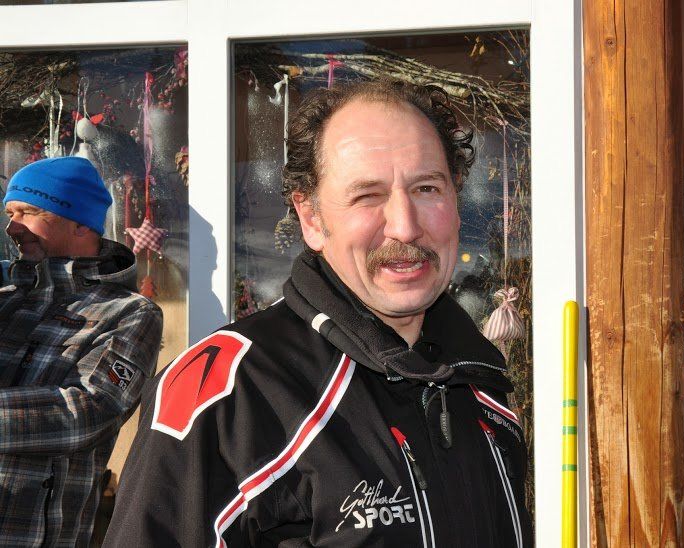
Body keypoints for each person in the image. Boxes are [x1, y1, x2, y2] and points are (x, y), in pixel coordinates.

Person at [104, 81, 532, 547]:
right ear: (310, 218)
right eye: (367, 195)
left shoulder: (479, 381)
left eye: (426, 188)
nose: (405, 226)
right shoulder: (232, 395)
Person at [0, 156, 163, 546]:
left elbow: (87, 412)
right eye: (9, 214)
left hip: (27, 534)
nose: (12, 227)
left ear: (80, 224)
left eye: (28, 212)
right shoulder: (6, 296)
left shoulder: (129, 312)